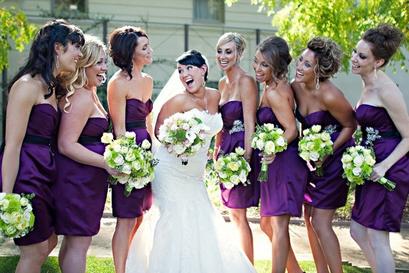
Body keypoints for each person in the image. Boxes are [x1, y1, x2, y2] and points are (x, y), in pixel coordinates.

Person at [125, 50, 256, 273]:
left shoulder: (215, 96)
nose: (184, 74)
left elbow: (219, 127)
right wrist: (181, 143)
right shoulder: (176, 101)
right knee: (173, 217)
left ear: (203, 69)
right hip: (170, 170)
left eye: (189, 68)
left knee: (199, 217)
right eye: (180, 71)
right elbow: (158, 132)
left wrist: (215, 151)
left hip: (195, 174)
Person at [0, 20, 84, 273]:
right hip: (27, 173)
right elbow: (12, 145)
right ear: (58, 47)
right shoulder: (27, 86)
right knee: (34, 250)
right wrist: (7, 196)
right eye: (75, 47)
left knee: (48, 241)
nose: (79, 54)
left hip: (45, 172)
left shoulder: (52, 88)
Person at [292, 37, 356, 273]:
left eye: (307, 65)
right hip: (312, 163)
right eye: (300, 60)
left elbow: (350, 126)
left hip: (335, 162)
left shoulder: (330, 95)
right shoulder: (295, 87)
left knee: (321, 221)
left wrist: (327, 151)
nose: (299, 67)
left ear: (319, 71)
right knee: (308, 216)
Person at [52, 34, 116, 273]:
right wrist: (106, 163)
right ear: (84, 64)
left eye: (104, 62)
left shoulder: (89, 92)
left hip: (87, 179)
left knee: (77, 241)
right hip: (76, 180)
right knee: (78, 243)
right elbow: (66, 144)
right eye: (98, 62)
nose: (103, 68)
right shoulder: (79, 96)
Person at [349, 24, 409, 273]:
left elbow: (408, 136)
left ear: (379, 61)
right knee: (356, 230)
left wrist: (384, 166)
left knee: (377, 236)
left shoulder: (386, 89)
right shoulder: (367, 85)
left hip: (389, 167)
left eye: (362, 56)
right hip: (370, 164)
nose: (354, 58)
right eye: (354, 52)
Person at [252, 36, 308, 273]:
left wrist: (272, 148)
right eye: (256, 62)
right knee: (267, 223)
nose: (257, 68)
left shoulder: (275, 93)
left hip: (284, 164)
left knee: (278, 225)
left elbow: (292, 130)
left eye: (264, 65)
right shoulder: (273, 86)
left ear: (276, 67)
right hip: (276, 164)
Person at [107, 26, 154, 273]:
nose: (150, 50)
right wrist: (128, 162)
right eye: (144, 47)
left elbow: (149, 121)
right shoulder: (117, 84)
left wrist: (154, 153)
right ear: (130, 52)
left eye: (149, 45)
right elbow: (119, 129)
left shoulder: (148, 80)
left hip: (146, 153)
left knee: (139, 216)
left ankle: (132, 265)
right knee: (125, 219)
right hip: (128, 155)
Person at [214, 32, 259, 263]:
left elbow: (251, 122)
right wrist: (217, 147)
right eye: (220, 51)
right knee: (232, 211)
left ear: (239, 54)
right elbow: (221, 122)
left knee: (240, 214)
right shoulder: (222, 83)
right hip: (225, 150)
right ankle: (240, 263)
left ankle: (248, 266)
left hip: (241, 149)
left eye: (228, 51)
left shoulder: (246, 82)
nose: (223, 56)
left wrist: (247, 158)